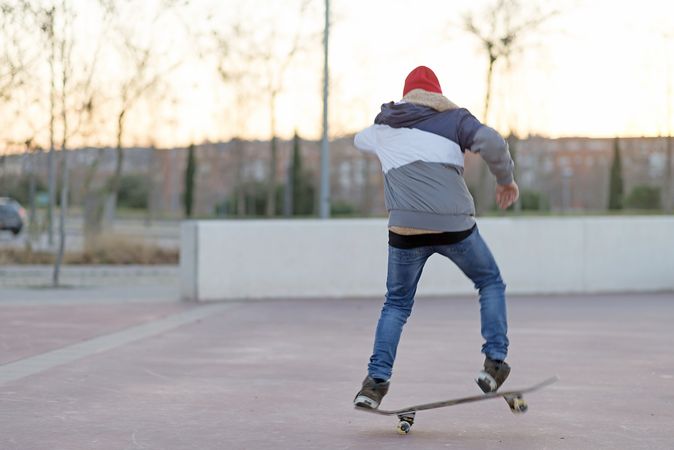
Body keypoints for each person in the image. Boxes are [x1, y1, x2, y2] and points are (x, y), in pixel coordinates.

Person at [352, 66, 519, 409]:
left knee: (396, 305)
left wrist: (387, 131)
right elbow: (492, 142)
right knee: (489, 281)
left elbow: (359, 139)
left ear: (407, 95)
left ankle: (374, 384)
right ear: (437, 96)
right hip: (454, 225)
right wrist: (505, 179)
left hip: (405, 229)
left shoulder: (385, 126)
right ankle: (494, 364)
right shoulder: (455, 120)